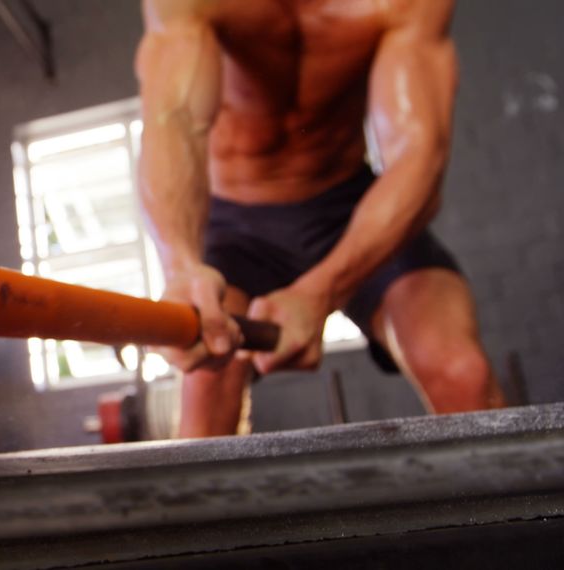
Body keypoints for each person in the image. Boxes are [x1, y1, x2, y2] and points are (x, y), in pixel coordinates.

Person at [135, 0, 505, 437]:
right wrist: (180, 264)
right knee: (206, 393)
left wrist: (321, 290)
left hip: (351, 210)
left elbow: (418, 156)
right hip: (236, 227)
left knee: (462, 372)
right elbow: (173, 120)